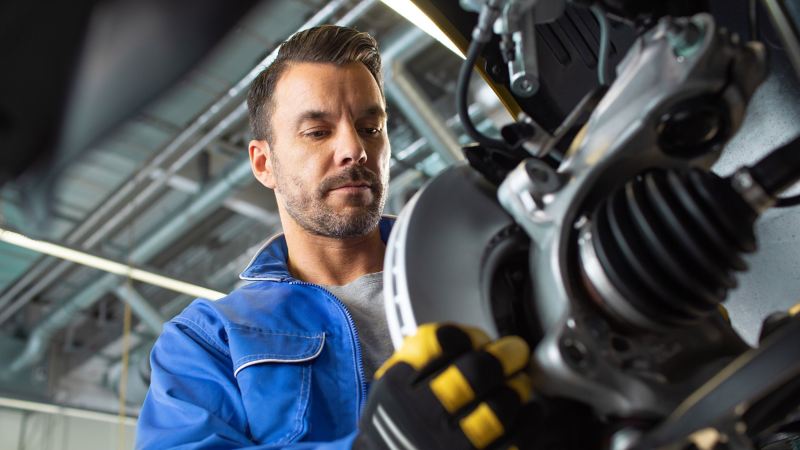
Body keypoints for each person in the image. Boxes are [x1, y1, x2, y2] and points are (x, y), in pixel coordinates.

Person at [136, 25, 532, 450]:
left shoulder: (494, 273)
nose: (354, 149)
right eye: (318, 132)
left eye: (370, 127)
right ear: (263, 163)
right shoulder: (209, 341)